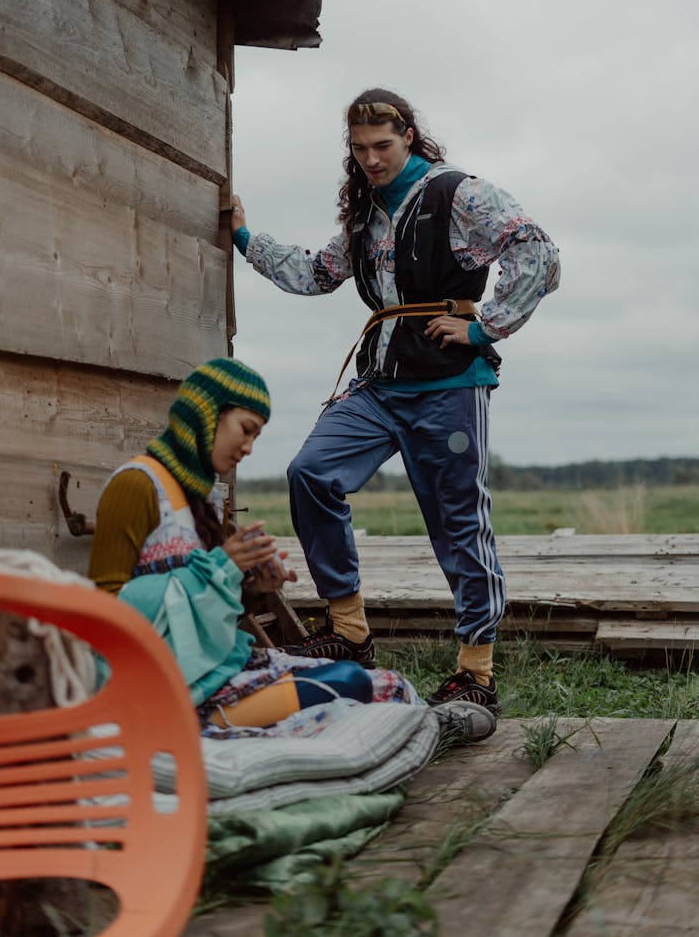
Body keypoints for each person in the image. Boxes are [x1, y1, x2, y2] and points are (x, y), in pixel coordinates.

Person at [230, 89, 561, 712]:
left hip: (448, 387)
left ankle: (476, 673)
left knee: (458, 522)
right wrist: (245, 236)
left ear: (408, 135)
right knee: (310, 473)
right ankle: (351, 633)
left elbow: (536, 251)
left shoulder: (457, 193)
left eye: (382, 145)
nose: (372, 160)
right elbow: (315, 273)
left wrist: (486, 326)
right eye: (359, 150)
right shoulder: (364, 215)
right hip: (380, 386)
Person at [88, 356, 496, 739]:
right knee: (351, 688)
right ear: (206, 413)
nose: (248, 448)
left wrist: (250, 585)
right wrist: (218, 569)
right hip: (173, 692)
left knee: (383, 682)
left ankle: (419, 724)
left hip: (216, 670)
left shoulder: (202, 501)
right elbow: (104, 616)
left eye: (257, 436)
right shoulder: (136, 485)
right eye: (246, 429)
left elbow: (205, 614)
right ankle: (425, 729)